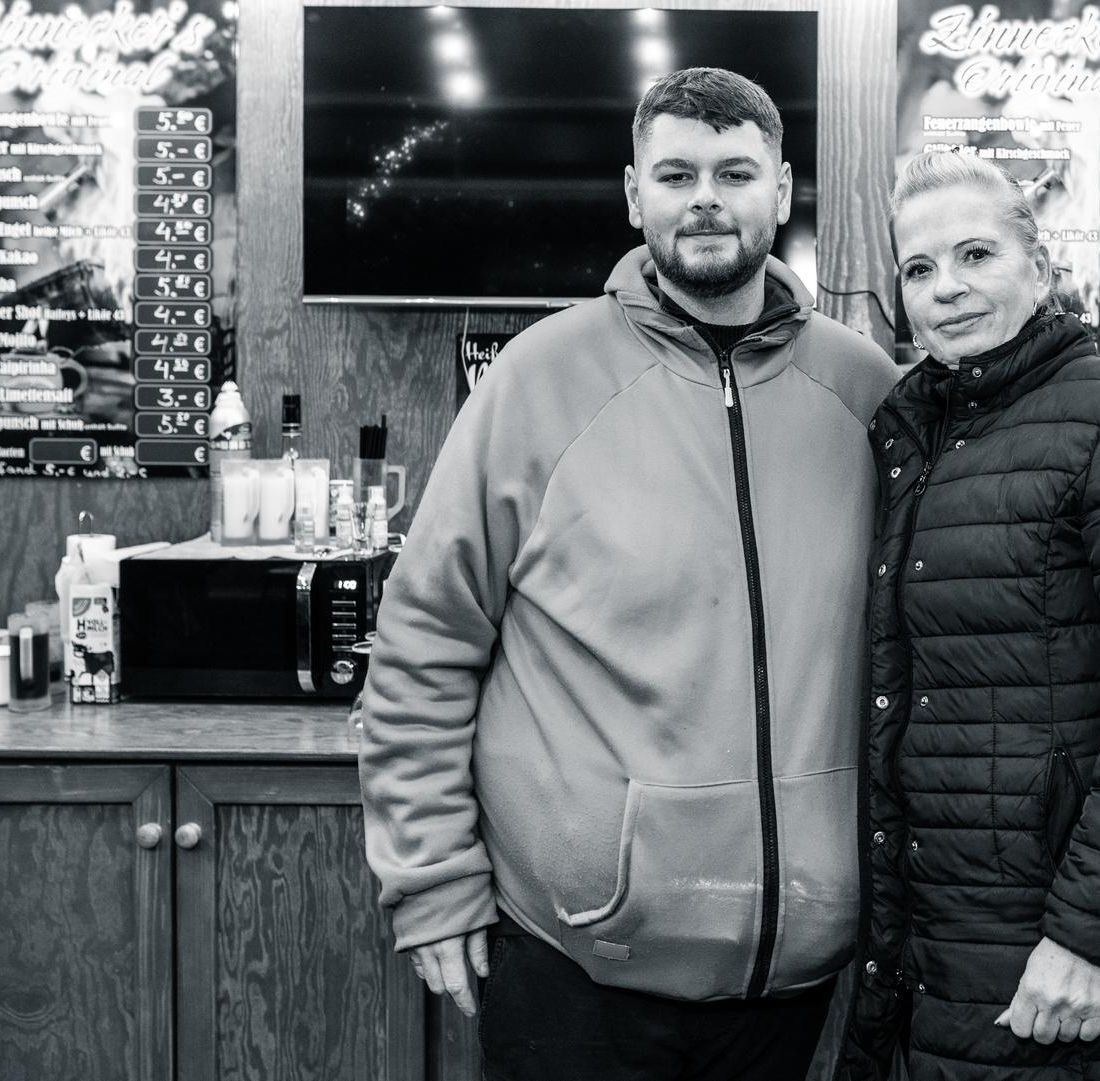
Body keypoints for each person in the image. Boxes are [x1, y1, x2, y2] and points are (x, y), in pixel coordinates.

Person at [359, 67, 900, 1081]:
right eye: (677, 173)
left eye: (736, 172)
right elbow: (425, 639)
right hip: (575, 960)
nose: (706, 197)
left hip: (801, 966)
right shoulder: (539, 377)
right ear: (632, 194)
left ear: (781, 195)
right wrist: (429, 880)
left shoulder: (866, 388)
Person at [839, 150, 1100, 1081]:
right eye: (919, 269)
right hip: (939, 929)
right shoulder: (910, 428)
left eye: (976, 254)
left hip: (1065, 946)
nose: (948, 289)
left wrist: (1091, 938)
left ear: (1040, 265)